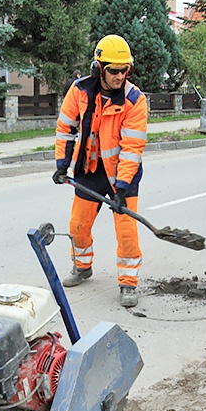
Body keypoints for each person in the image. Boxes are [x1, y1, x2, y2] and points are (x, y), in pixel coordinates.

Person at [52, 34, 148, 308]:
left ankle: (128, 283)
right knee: (78, 226)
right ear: (99, 67)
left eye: (124, 70)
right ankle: (83, 267)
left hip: (122, 174)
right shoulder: (79, 90)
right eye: (114, 70)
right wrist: (62, 164)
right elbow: (66, 128)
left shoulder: (134, 100)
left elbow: (132, 147)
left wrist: (122, 188)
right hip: (90, 169)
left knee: (127, 230)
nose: (120, 76)